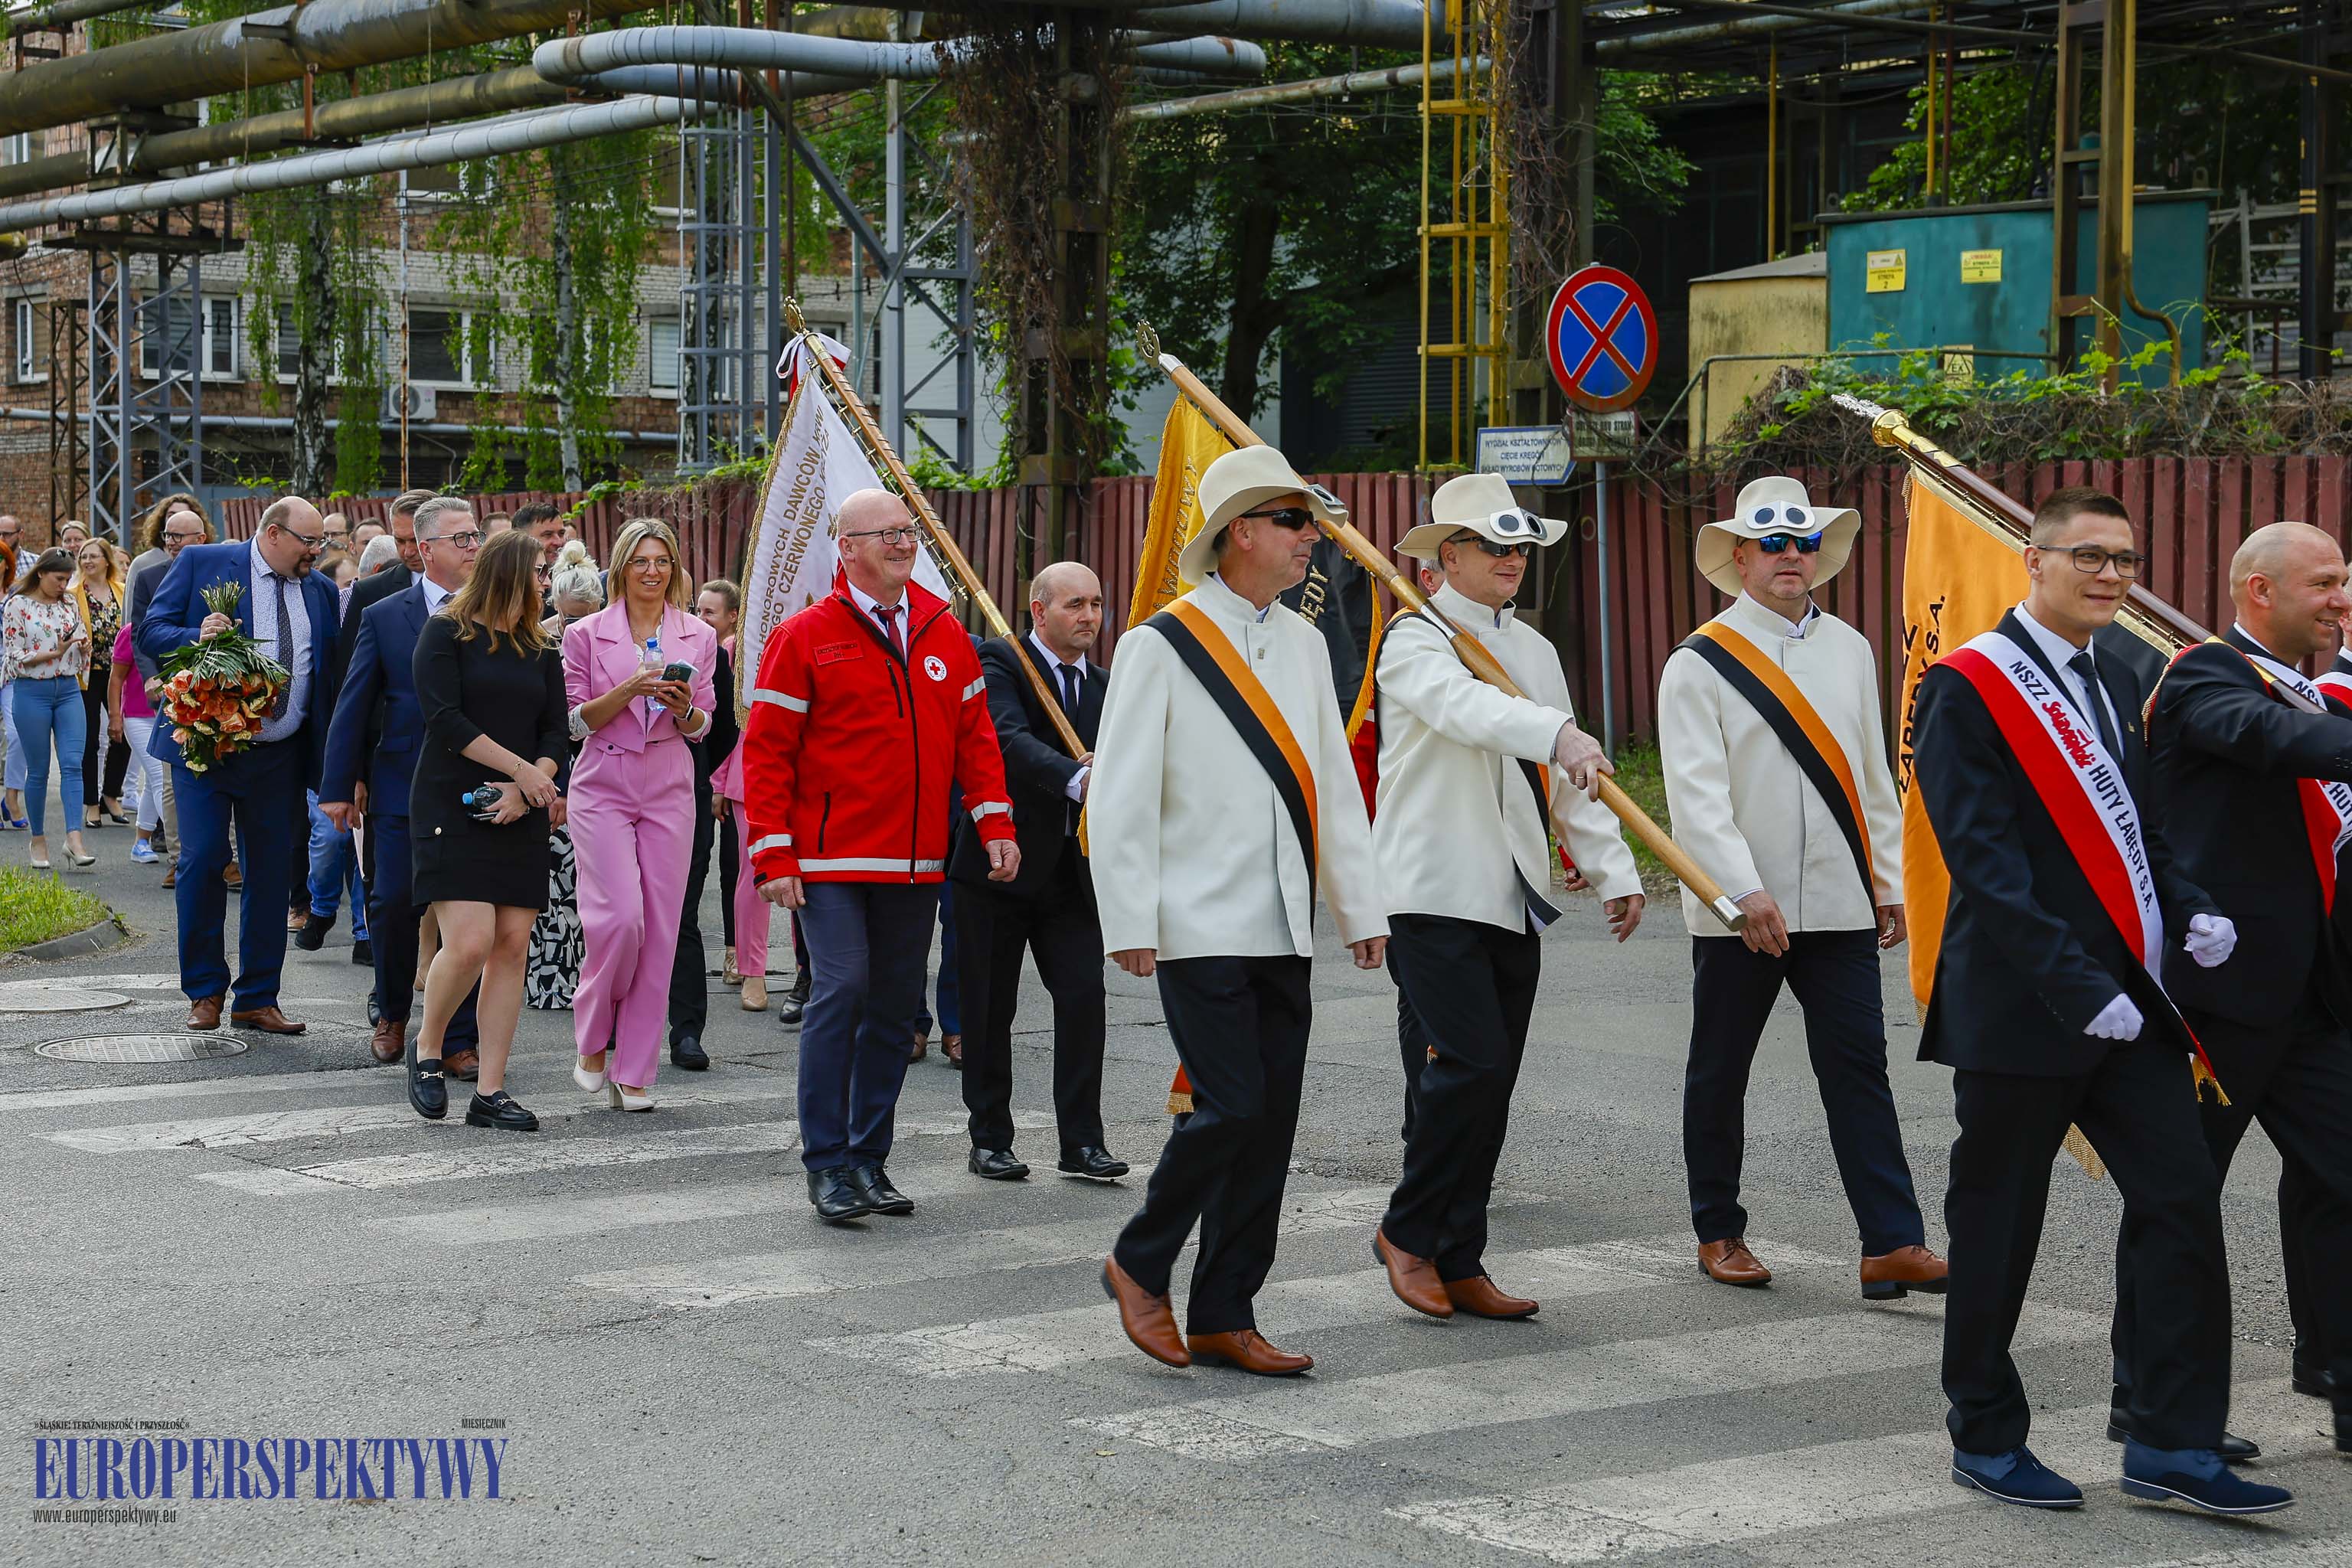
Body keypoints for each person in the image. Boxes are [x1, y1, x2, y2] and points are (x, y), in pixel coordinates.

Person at [1912, 485, 2288, 1516]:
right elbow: (1983, 864)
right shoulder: (1970, 686)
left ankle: (2170, 1439)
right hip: (2023, 1007)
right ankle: (1984, 1434)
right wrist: (2076, 984)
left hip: (2132, 1011)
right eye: (2090, 556)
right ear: (2034, 563)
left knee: (2180, 1204)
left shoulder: (2119, 677)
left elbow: (2145, 835)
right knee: (1999, 1226)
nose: (2113, 574)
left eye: (2124, 558)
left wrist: (2195, 907)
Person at [1091, 446, 1385, 1375]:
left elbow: (1329, 782)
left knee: (1270, 1124)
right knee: (1228, 1105)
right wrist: (1129, 916)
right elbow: (1124, 791)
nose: (1313, 538)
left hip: (1282, 923)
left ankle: (1226, 1309)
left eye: (1311, 521)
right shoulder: (1160, 643)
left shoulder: (1303, 642)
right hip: (1197, 920)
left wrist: (1358, 904)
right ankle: (1140, 1259)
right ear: (1241, 532)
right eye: (1295, 521)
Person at [1655, 475, 1943, 1298]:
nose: (1791, 556)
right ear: (1739, 556)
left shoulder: (1850, 646)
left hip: (1840, 897)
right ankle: (1719, 1227)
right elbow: (1696, 794)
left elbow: (1871, 775)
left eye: (1804, 542)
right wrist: (1740, 890)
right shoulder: (1698, 660)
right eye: (1773, 543)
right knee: (1722, 1068)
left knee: (1861, 1068)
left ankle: (1891, 1242)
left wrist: (1886, 879)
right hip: (1744, 907)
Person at [2105, 521, 2352, 1464]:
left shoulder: (2310, 688)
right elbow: (2271, 737)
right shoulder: (2208, 675)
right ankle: (2150, 1401)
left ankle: (2342, 1380)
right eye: (2324, 583)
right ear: (2259, 592)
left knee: (2344, 1178)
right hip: (2219, 993)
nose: (2340, 598)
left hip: (2312, 996)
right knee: (2180, 1199)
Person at [1369, 475, 1642, 1323]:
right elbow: (1466, 710)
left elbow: (1569, 778)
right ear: (1447, 555)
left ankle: (1460, 1253)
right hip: (1429, 886)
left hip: (1510, 893)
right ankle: (1408, 1233)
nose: (1513, 561)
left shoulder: (1534, 651)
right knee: (1469, 1066)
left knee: (1483, 1081)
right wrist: (1549, 728)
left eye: (1521, 547)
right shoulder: (1414, 639)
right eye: (1494, 546)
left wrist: (1614, 868)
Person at [742, 487, 1019, 1223]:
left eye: (908, 530)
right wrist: (774, 855)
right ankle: (826, 1163)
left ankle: (869, 1160)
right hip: (829, 862)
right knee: (844, 988)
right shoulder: (804, 635)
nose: (904, 542)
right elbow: (766, 753)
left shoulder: (942, 630)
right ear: (849, 547)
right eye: (887, 533)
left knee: (897, 1012)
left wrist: (995, 823)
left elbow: (977, 741)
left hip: (917, 862)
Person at [949, 561, 1125, 1183]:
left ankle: (1082, 1142)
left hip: (1071, 878)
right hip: (998, 866)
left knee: (1083, 1000)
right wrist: (1078, 776)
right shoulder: (1002, 662)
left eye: (1098, 605)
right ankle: (990, 1137)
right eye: (1075, 604)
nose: (1089, 617)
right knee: (989, 1008)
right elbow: (1003, 737)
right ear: (1038, 610)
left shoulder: (1108, 683)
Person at [139, 496, 338, 1034]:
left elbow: (327, 676)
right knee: (203, 861)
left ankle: (257, 997)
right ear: (273, 534)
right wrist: (195, 636)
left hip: (281, 755)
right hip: (208, 745)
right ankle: (204, 991)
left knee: (271, 875)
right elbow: (150, 631)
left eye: (321, 541)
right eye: (308, 541)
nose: (316, 551)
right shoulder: (205, 563)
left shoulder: (319, 591)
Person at [404, 528, 569, 1132]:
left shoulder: (541, 647)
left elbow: (557, 731)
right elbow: (444, 718)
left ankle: (491, 1092)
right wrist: (524, 773)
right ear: (508, 574)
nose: (545, 583)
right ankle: (427, 1051)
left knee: (510, 946)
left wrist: (533, 785)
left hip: (519, 807)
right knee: (470, 941)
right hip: (452, 801)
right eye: (538, 572)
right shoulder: (445, 631)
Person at [322, 497, 487, 1068]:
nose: (473, 547)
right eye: (461, 539)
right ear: (425, 548)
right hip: (400, 780)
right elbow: (355, 699)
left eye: (476, 536)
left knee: (467, 914)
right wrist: (341, 784)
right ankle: (392, 1011)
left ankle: (459, 1037)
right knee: (393, 902)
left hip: (474, 788)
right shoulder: (385, 613)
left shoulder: (496, 611)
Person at [564, 518, 718, 1111]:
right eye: (640, 561)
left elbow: (704, 725)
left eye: (662, 561)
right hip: (603, 779)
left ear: (674, 569)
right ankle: (594, 1033)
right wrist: (627, 690)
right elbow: (575, 723)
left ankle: (636, 1070)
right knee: (619, 920)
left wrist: (684, 710)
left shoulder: (698, 636)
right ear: (620, 569)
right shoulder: (584, 634)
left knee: (659, 931)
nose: (652, 571)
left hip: (670, 781)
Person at [665, 579, 741, 1071]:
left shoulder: (707, 647)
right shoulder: (601, 633)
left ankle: (687, 1030)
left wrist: (693, 759)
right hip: (616, 787)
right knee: (624, 915)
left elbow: (725, 727)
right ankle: (610, 1014)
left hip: (684, 788)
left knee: (681, 912)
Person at [525, 544, 602, 1010]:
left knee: (584, 888)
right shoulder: (538, 642)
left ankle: (586, 978)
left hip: (590, 768)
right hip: (549, 768)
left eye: (587, 616)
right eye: (570, 617)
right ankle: (547, 980)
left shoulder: (605, 638)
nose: (577, 626)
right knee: (551, 886)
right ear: (555, 606)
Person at [2, 547, 94, 869]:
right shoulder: (17, 604)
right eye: (59, 578)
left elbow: (82, 641)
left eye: (68, 579)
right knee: (38, 770)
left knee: (72, 763)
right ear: (41, 573)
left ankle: (74, 838)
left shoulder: (69, 602)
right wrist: (52, 653)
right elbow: (12, 657)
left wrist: (83, 647)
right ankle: (38, 837)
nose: (64, 585)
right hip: (31, 691)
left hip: (68, 690)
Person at [70, 537, 128, 830]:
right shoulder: (72, 594)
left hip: (119, 671)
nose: (88, 561)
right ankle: (91, 803)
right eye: (84, 556)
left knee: (125, 733)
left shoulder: (122, 590)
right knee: (89, 739)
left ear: (107, 560)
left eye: (94, 556)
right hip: (87, 674)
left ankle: (110, 794)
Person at [107, 619, 168, 867]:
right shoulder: (130, 632)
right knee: (161, 778)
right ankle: (185, 843)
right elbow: (116, 679)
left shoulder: (174, 627)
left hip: (166, 714)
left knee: (155, 782)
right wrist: (115, 718)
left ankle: (141, 841)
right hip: (137, 717)